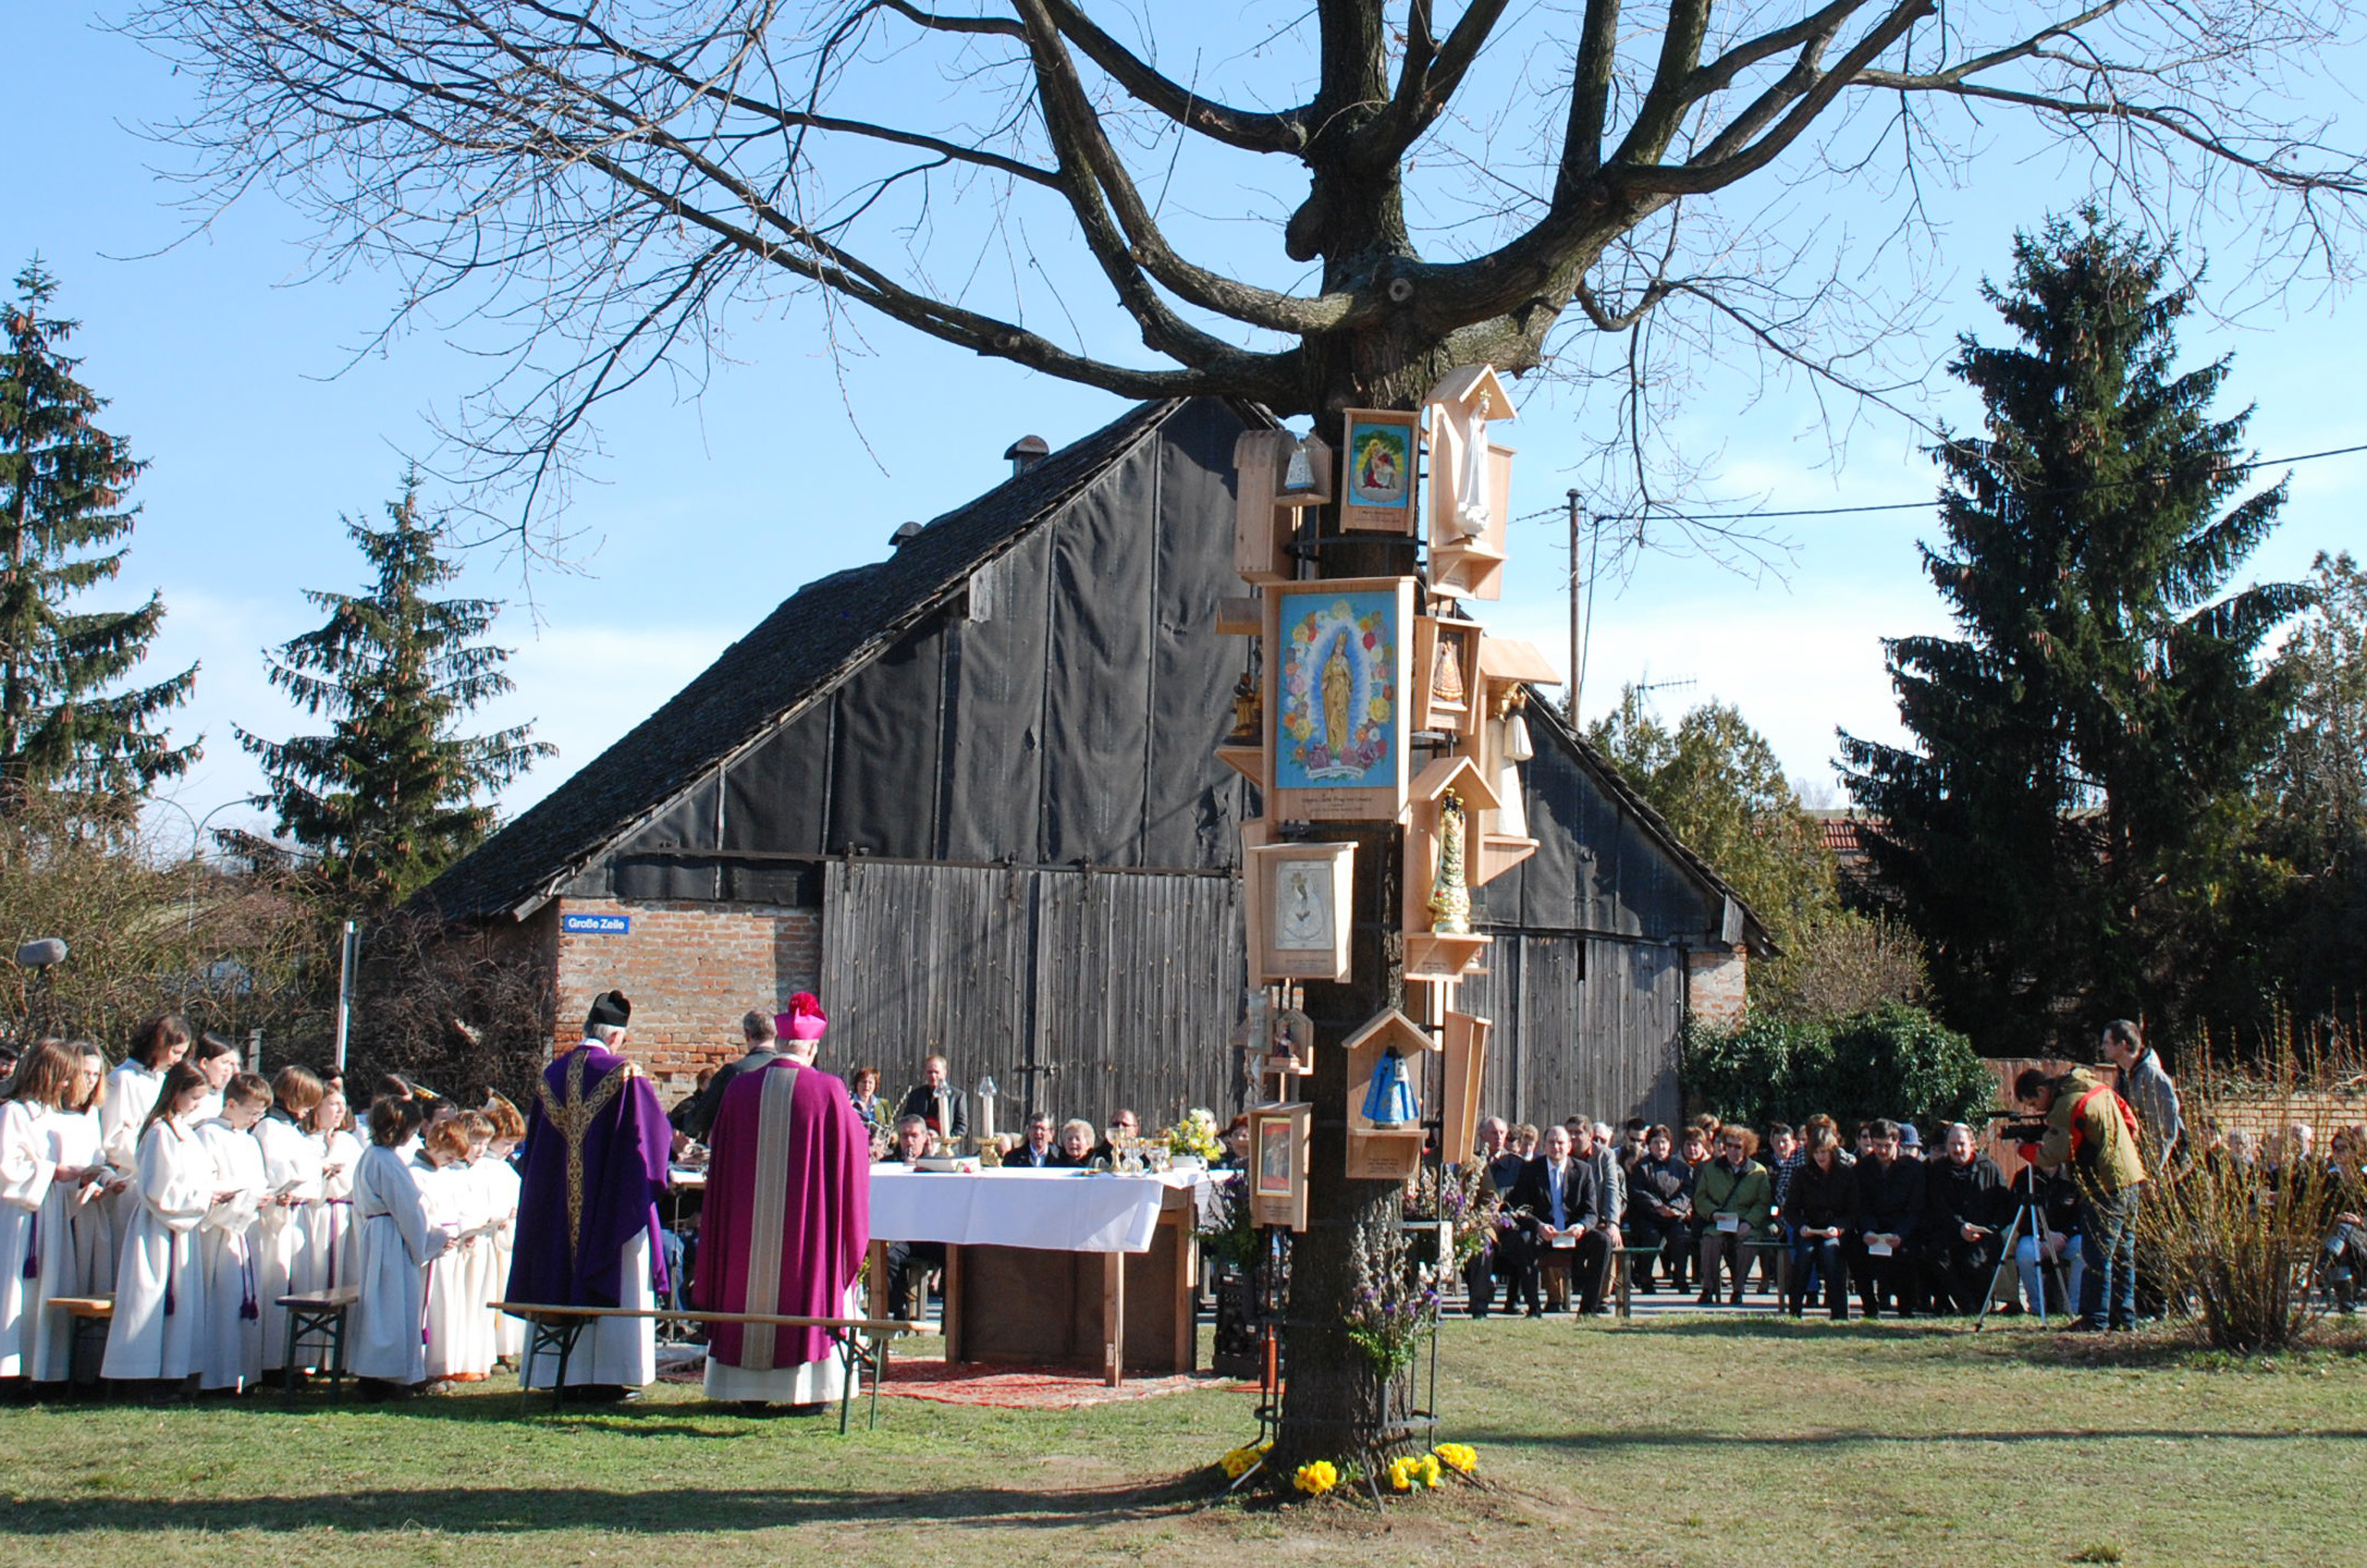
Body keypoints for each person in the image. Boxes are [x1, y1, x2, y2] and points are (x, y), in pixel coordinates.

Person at [693, 990, 868, 1409]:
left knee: (747, 1284)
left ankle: (742, 1390)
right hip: (807, 1235)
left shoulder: (739, 1090)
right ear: (810, 1046)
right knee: (803, 1288)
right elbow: (853, 1161)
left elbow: (720, 1167)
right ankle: (809, 1392)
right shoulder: (828, 1090)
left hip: (745, 1236)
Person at [510, 989, 672, 1401]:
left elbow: (537, 1154)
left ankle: (557, 1375)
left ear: (586, 1028)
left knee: (558, 1269)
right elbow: (653, 1141)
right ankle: (607, 1376)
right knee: (618, 1271)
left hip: (554, 1212)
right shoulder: (625, 1075)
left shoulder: (550, 1077)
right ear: (617, 1037)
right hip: (609, 1209)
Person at [103, 1060, 217, 1391]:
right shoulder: (159, 1132)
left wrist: (209, 1192)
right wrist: (202, 1198)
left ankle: (173, 1372)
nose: (197, 1104)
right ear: (176, 1093)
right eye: (193, 1097)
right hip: (158, 1227)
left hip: (183, 1227)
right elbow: (156, 1189)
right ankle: (140, 1375)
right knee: (150, 1296)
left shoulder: (184, 1131)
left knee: (180, 1301)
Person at [8, 1043, 112, 1383]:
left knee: (47, 1285)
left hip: (48, 1209)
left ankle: (41, 1370)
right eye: (64, 1078)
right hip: (19, 1217)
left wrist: (78, 1176)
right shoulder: (14, 1113)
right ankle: (10, 1368)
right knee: (14, 1289)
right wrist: (53, 1171)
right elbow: (8, 1168)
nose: (69, 1086)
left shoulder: (48, 1116)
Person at [2016, 1065, 2148, 1331]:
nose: (2037, 1111)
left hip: (2104, 1184)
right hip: (2130, 1177)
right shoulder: (2098, 1088)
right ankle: (2124, 1317)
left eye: (2033, 1103)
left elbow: (2053, 1154)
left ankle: (2095, 1317)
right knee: (2123, 1251)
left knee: (2097, 1253)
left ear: (2042, 1090)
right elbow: (2131, 1122)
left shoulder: (2066, 1103)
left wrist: (2025, 1149)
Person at [350, 1096, 446, 1397]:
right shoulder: (388, 1162)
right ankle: (387, 1377)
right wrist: (428, 1242)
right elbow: (408, 1208)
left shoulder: (371, 1156)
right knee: (392, 1306)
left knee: (380, 1306)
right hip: (391, 1237)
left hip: (376, 1234)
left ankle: (380, 1374)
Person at [193, 1072, 272, 1393]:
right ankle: (216, 1377)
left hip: (244, 1230)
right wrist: (244, 1197)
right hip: (218, 1231)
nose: (256, 1119)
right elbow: (206, 1185)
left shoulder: (249, 1140)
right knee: (222, 1303)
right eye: (252, 1111)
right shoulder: (207, 1134)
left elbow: (258, 1180)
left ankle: (243, 1374)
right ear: (230, 1103)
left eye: (261, 1113)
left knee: (243, 1302)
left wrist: (263, 1196)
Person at [101, 1015, 191, 1262]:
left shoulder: (162, 1080)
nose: (178, 1060)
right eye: (175, 1051)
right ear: (158, 1044)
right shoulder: (122, 1079)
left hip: (160, 1183)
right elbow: (113, 1138)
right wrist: (152, 1161)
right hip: (130, 1182)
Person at [253, 1065, 325, 1373]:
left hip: (296, 1216)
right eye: (307, 1100)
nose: (309, 1109)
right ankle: (271, 1361)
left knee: (292, 1282)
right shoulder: (269, 1127)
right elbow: (271, 1170)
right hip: (275, 1220)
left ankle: (290, 1360)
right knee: (274, 1284)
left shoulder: (291, 1130)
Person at [1504, 1123, 1598, 1317]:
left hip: (1572, 1234)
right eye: (1552, 1143)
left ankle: (1588, 1309)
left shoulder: (1583, 1170)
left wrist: (1580, 1226)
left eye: (1561, 1143)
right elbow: (1519, 1209)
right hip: (1543, 1234)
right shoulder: (1530, 1170)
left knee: (1603, 1242)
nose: (1556, 1147)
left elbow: (1591, 1213)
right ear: (1544, 1146)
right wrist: (1538, 1226)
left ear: (1569, 1146)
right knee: (1523, 1240)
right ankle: (1534, 1308)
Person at [1920, 1122, 2006, 1315]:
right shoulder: (1937, 1171)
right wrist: (1960, 1228)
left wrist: (1990, 1228)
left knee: (1974, 1264)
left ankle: (1980, 1304)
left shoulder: (1989, 1168)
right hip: (1951, 1232)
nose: (1957, 1149)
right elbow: (1938, 1207)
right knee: (1934, 1253)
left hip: (1983, 1236)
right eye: (1952, 1144)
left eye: (1961, 1144)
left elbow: (2004, 1205)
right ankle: (1966, 1306)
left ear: (1972, 1144)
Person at [672, 1008, 790, 1142]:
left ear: (747, 1034)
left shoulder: (733, 1072)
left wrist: (681, 1121)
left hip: (739, 1150)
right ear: (776, 1034)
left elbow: (699, 1120)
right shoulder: (791, 1073)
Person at [1692, 1125, 1772, 1305]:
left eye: (1738, 1147)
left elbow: (1763, 1202)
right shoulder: (1711, 1169)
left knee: (1749, 1242)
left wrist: (1750, 1222)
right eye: (1729, 1145)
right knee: (1710, 1240)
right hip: (1719, 1221)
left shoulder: (1758, 1172)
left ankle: (1738, 1289)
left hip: (1745, 1221)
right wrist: (1713, 1214)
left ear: (1747, 1148)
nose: (1732, 1150)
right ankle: (1708, 1288)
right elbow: (1700, 1198)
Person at [1852, 1119, 1925, 1318]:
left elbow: (1915, 1209)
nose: (1882, 1151)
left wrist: (1900, 1233)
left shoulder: (1913, 1169)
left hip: (1902, 1229)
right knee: (1853, 1249)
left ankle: (1905, 1309)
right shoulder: (1861, 1169)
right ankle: (1870, 1307)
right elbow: (1860, 1205)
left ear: (1897, 1142)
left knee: (1908, 1252)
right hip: (1873, 1228)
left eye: (1887, 1146)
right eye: (1877, 1145)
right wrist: (1868, 1230)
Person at [1784, 1124, 1857, 1319]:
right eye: (1816, 1152)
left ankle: (1839, 1312)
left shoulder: (1846, 1174)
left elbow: (1853, 1212)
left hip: (1835, 1229)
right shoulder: (1802, 1173)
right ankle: (1794, 1310)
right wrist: (1801, 1226)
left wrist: (1839, 1229)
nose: (1820, 1156)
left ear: (1832, 1150)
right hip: (1810, 1228)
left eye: (1823, 1151)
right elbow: (1790, 1208)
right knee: (1805, 1253)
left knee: (1830, 1250)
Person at [476, 1096, 528, 1363]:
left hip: (506, 1242)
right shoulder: (482, 1167)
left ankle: (506, 1348)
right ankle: (492, 1350)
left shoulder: (503, 1168)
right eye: (506, 1143)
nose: (510, 1149)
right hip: (491, 1240)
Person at [882, 1114, 947, 1318]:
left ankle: (950, 1316)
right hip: (902, 1233)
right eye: (904, 1136)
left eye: (914, 1136)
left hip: (931, 1233)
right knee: (889, 1256)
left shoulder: (937, 1165)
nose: (909, 1141)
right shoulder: (886, 1164)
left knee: (957, 1255)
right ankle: (898, 1311)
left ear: (925, 1138)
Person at [2100, 1020, 2184, 1174]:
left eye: (2107, 1043)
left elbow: (2163, 1129)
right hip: (2135, 1164)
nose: (2102, 1047)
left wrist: (2150, 1173)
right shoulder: (2124, 1075)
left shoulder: (2152, 1076)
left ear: (2122, 1045)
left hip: (2162, 1169)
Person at [1625, 1125, 1694, 1293]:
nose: (1660, 1146)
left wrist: (1674, 1208)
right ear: (1649, 1145)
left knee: (1680, 1237)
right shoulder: (1641, 1167)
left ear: (1669, 1144)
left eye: (1663, 1142)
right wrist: (1658, 1207)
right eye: (1656, 1142)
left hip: (1673, 1215)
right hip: (1648, 1216)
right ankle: (1645, 1278)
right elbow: (1638, 1192)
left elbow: (1687, 1190)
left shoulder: (1682, 1168)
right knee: (1651, 1236)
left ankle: (1681, 1278)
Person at [311, 1088, 363, 1295]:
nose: (341, 1110)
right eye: (334, 1104)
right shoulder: (309, 1141)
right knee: (317, 1271)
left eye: (343, 1104)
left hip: (346, 1216)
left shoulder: (349, 1141)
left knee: (347, 1274)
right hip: (318, 1215)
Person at [1569, 1119, 1623, 1316]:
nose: (1573, 1137)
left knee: (1607, 1239)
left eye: (1577, 1132)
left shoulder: (1604, 1155)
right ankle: (1556, 1298)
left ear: (1589, 1136)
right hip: (1569, 1218)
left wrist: (1612, 1222)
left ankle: (1601, 1298)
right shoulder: (1562, 1154)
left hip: (1597, 1216)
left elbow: (1611, 1189)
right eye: (1570, 1132)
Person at [895, 1056, 968, 1144]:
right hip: (920, 1148)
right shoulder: (916, 1095)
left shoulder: (957, 1096)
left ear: (944, 1073)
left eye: (936, 1072)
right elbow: (907, 1120)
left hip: (947, 1148)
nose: (933, 1076)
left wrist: (943, 1140)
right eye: (930, 1072)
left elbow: (961, 1127)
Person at [189, 1034, 240, 1125]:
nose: (236, 1071)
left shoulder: (227, 1098)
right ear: (204, 1063)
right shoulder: (185, 1095)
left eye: (237, 1065)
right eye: (225, 1063)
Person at [846, 1066, 883, 1130]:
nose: (867, 1086)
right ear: (857, 1084)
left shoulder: (881, 1104)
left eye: (870, 1083)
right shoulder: (848, 1103)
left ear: (875, 1085)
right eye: (863, 1082)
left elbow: (888, 1127)